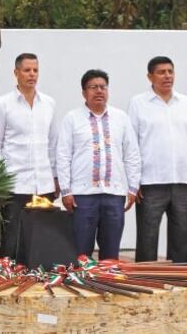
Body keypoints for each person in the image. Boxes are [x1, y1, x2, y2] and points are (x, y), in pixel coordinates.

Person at [56, 69, 140, 261]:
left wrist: (133, 188)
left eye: (103, 87)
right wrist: (66, 191)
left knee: (111, 254)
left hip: (114, 194)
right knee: (80, 252)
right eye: (93, 87)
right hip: (82, 196)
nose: (99, 91)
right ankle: (81, 288)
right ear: (84, 92)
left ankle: (108, 289)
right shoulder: (72, 118)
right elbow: (63, 156)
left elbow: (132, 155)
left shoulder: (121, 118)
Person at [127, 56, 187, 263]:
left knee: (182, 236)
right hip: (150, 182)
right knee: (147, 235)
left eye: (170, 71)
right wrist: (134, 182)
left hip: (182, 181)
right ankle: (146, 280)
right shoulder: (138, 104)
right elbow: (131, 145)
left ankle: (182, 280)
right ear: (149, 76)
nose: (167, 76)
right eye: (161, 72)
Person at [0, 52, 58, 258]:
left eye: (35, 70)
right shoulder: (2, 104)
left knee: (42, 238)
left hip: (43, 184)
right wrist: (0, 181)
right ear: (16, 73)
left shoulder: (49, 104)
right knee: (12, 238)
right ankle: (9, 280)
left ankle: (38, 280)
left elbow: (52, 144)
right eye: (27, 70)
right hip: (15, 184)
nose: (32, 74)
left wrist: (55, 178)